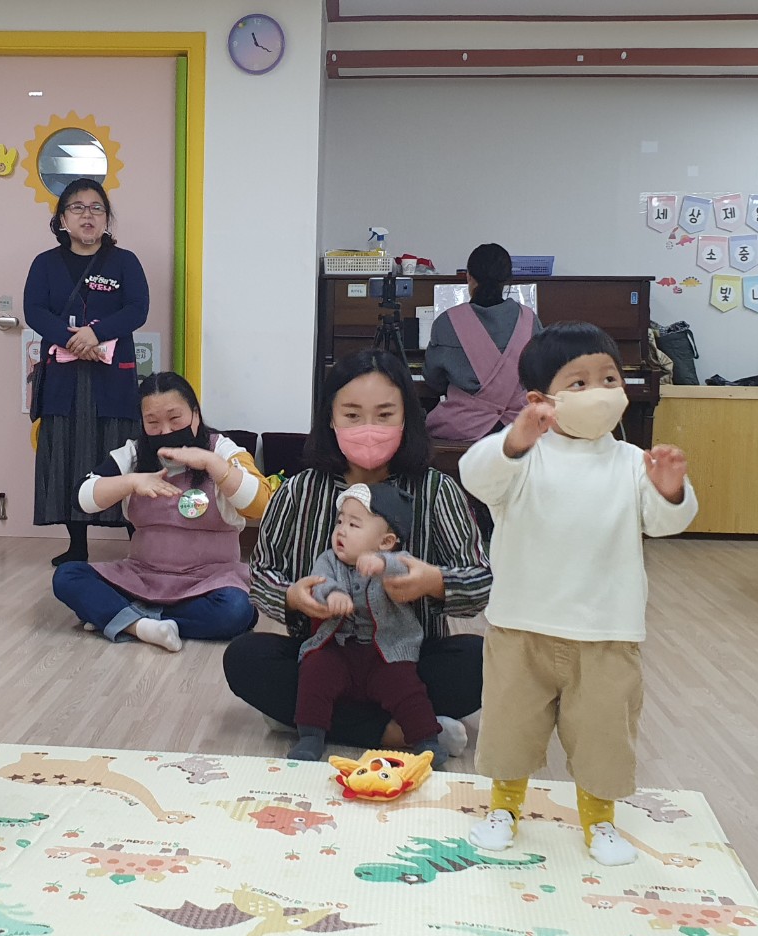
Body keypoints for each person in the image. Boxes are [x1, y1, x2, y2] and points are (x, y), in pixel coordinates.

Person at [459, 322, 697, 867]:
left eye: (609, 378)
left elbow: (664, 524)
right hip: (521, 626)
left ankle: (600, 820)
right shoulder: (522, 456)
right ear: (541, 401)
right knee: (510, 728)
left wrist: (670, 491)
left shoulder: (631, 461)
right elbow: (477, 476)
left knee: (603, 735)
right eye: (580, 382)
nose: (601, 392)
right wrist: (516, 439)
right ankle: (504, 808)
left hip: (607, 632)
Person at [223, 349, 491, 754]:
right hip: (323, 656)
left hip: (407, 660)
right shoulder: (298, 491)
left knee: (484, 660)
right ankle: (403, 732)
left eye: (384, 415)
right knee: (245, 657)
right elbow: (261, 575)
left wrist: (435, 582)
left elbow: (481, 581)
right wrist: (291, 597)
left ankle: (309, 720)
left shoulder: (436, 490)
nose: (369, 429)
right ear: (330, 419)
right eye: (352, 415)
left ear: (407, 418)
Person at [52, 372, 269, 651]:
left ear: (195, 415)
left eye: (175, 418)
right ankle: (143, 626)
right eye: (152, 423)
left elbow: (260, 504)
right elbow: (82, 497)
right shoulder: (133, 454)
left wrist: (211, 463)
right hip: (141, 578)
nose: (165, 431)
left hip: (209, 582)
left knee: (237, 610)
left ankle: (123, 618)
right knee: (67, 576)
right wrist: (132, 482)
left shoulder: (223, 450)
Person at [24, 177, 149, 567]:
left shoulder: (125, 261)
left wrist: (96, 334)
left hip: (112, 377)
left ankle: (140, 545)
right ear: (63, 219)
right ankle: (77, 546)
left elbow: (138, 309)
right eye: (77, 208)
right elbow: (34, 311)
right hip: (63, 380)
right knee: (65, 455)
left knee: (120, 453)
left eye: (96, 208)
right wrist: (72, 339)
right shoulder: (45, 264)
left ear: (106, 218)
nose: (87, 215)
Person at [290, 482, 446, 768]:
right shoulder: (328, 560)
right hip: (338, 648)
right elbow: (319, 582)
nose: (341, 531)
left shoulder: (395, 559)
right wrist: (332, 594)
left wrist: (383, 564)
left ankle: (427, 740)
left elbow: (405, 566)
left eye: (354, 524)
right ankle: (310, 735)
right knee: (314, 672)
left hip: (386, 653)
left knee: (406, 687)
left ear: (386, 542)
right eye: (339, 522)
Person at [424, 243, 543, 442]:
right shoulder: (529, 319)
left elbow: (433, 380)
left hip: (463, 427)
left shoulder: (447, 321)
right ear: (507, 279)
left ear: (469, 276)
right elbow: (539, 375)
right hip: (520, 426)